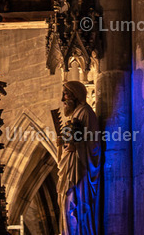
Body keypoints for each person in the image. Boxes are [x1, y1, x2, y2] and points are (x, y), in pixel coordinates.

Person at [52, 80, 103, 235]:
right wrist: (61, 144)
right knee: (66, 206)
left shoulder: (86, 113)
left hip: (81, 172)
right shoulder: (75, 115)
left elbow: (94, 144)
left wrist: (78, 148)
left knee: (76, 206)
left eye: (66, 94)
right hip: (69, 169)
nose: (63, 99)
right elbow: (69, 145)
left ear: (76, 95)